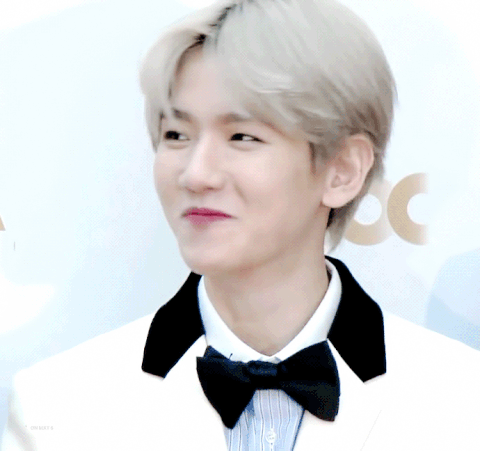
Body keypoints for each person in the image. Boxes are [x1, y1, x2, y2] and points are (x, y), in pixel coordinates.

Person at [2, 0, 480, 449]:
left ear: (342, 170)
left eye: (242, 136)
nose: (196, 174)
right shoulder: (58, 405)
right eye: (176, 134)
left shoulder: (461, 401)